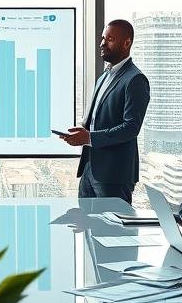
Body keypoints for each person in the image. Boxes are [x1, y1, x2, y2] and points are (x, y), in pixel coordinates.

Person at [60, 19, 150, 204]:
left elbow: (131, 127)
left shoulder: (135, 79)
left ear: (127, 43)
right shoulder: (103, 78)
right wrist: (80, 132)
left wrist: (89, 138)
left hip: (114, 175)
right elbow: (97, 119)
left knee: (113, 232)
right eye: (102, 38)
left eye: (110, 38)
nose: (102, 43)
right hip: (89, 168)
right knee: (87, 229)